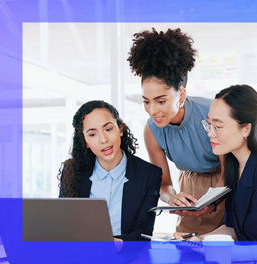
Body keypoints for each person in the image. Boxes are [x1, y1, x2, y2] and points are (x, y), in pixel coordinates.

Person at [127, 28, 224, 234]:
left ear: (181, 96)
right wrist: (173, 198)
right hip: (189, 188)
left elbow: (229, 170)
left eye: (161, 101)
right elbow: (164, 184)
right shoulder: (152, 130)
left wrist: (211, 202)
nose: (153, 111)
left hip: (224, 185)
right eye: (146, 101)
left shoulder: (213, 112)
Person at [58, 100, 162, 241]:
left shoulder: (149, 174)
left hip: (128, 257)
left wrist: (118, 244)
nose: (103, 139)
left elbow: (144, 232)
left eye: (108, 129)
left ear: (120, 129)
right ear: (85, 142)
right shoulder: (72, 171)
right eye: (92, 134)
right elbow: (65, 226)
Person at [175, 84, 257, 241]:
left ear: (246, 129)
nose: (210, 133)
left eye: (218, 126)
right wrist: (199, 241)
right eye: (209, 124)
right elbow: (233, 228)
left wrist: (211, 249)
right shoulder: (234, 167)